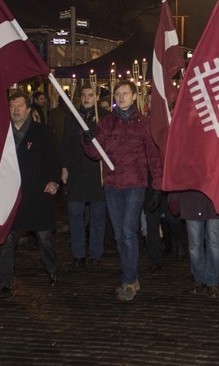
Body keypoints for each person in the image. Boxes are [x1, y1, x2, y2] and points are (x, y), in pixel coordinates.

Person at [83, 80, 162, 302]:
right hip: (112, 184)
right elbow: (95, 153)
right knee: (119, 235)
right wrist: (88, 140)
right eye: (117, 94)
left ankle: (127, 281)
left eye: (125, 93)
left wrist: (157, 184)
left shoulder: (145, 124)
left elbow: (154, 157)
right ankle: (133, 276)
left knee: (128, 232)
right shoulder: (106, 123)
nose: (120, 97)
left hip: (135, 184)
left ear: (134, 96)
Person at [0, 92, 61, 295]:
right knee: (7, 240)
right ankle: (4, 281)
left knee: (44, 238)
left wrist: (54, 180)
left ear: (28, 109)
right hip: (10, 196)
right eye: (12, 106)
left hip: (37, 193)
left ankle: (52, 270)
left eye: (20, 106)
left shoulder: (43, 131)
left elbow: (53, 158)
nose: (16, 110)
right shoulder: (2, 134)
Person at [171, 144, 219, 298]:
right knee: (195, 242)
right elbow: (178, 167)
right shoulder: (188, 137)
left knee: (214, 239)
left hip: (214, 196)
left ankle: (212, 280)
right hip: (192, 197)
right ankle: (199, 277)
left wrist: (216, 160)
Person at [61, 85, 108, 272]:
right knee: (75, 212)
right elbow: (65, 144)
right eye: (84, 95)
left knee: (97, 215)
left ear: (96, 96)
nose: (87, 98)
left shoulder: (104, 116)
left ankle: (96, 253)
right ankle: (78, 254)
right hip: (76, 172)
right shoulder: (72, 116)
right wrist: (64, 167)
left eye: (90, 95)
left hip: (97, 173)